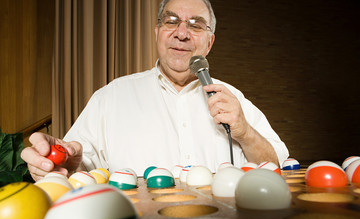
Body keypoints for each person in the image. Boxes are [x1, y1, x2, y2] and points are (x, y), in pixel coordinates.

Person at [21, 0, 289, 181]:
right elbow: (77, 164)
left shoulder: (233, 99)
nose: (181, 33)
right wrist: (64, 165)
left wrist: (244, 132)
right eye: (171, 21)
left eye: (195, 25)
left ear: (209, 43)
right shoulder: (111, 96)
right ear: (157, 32)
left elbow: (275, 167)